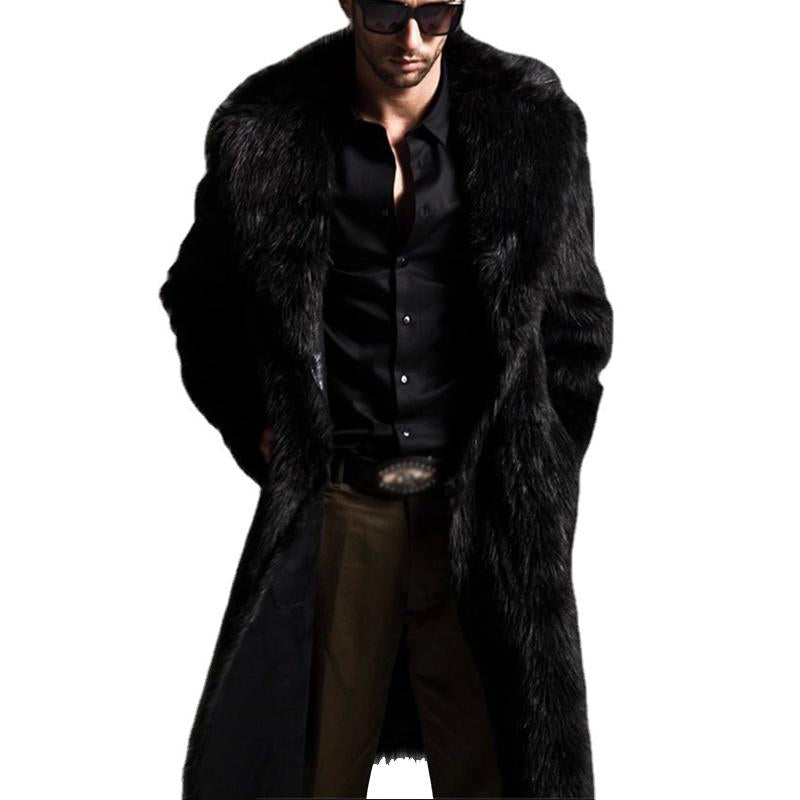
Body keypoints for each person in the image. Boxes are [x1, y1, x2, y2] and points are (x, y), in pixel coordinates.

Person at [159, 2, 613, 798]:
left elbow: (577, 327)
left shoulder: (532, 121)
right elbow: (197, 300)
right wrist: (251, 422)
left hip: (480, 516)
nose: (411, 40)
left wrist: (538, 469)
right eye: (385, 14)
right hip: (342, 508)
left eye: (435, 14)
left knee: (501, 771)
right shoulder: (267, 127)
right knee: (309, 770)